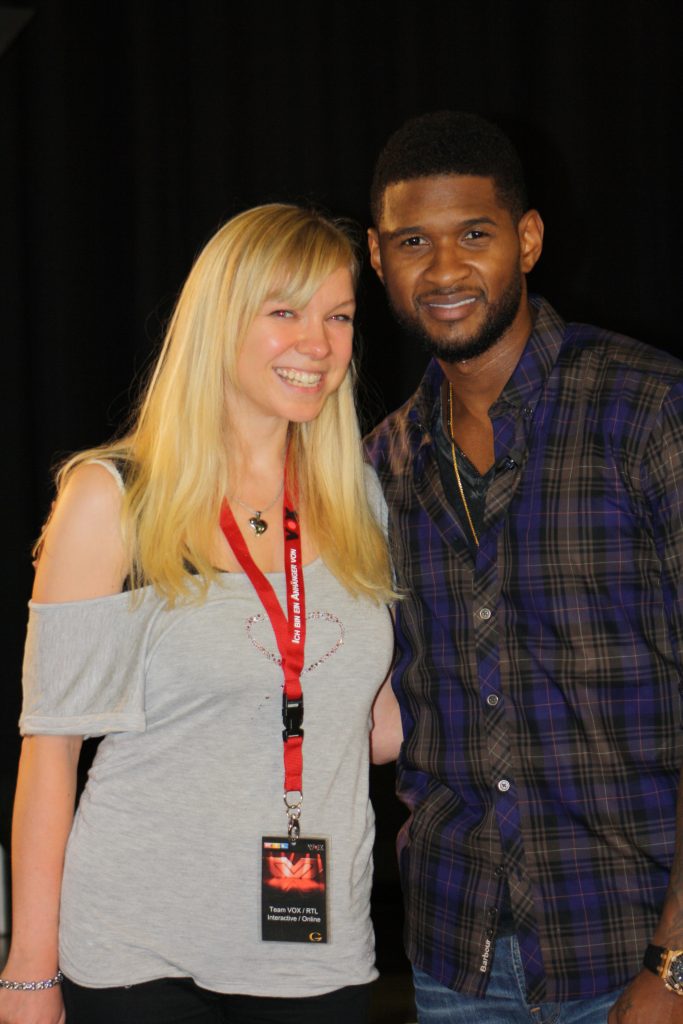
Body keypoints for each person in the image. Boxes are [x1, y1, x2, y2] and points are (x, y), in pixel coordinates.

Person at [0, 203, 399, 1024]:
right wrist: (29, 973)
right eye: (284, 312)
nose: (317, 344)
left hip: (315, 949)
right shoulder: (113, 499)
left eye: (338, 317)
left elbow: (375, 723)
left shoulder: (361, 498)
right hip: (136, 951)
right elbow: (51, 752)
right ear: (220, 321)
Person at [364, 110, 683, 1024]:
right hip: (456, 962)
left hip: (631, 947)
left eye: (474, 234)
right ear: (377, 258)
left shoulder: (648, 412)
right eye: (413, 243)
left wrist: (672, 966)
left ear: (528, 239)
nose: (444, 270)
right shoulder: (379, 464)